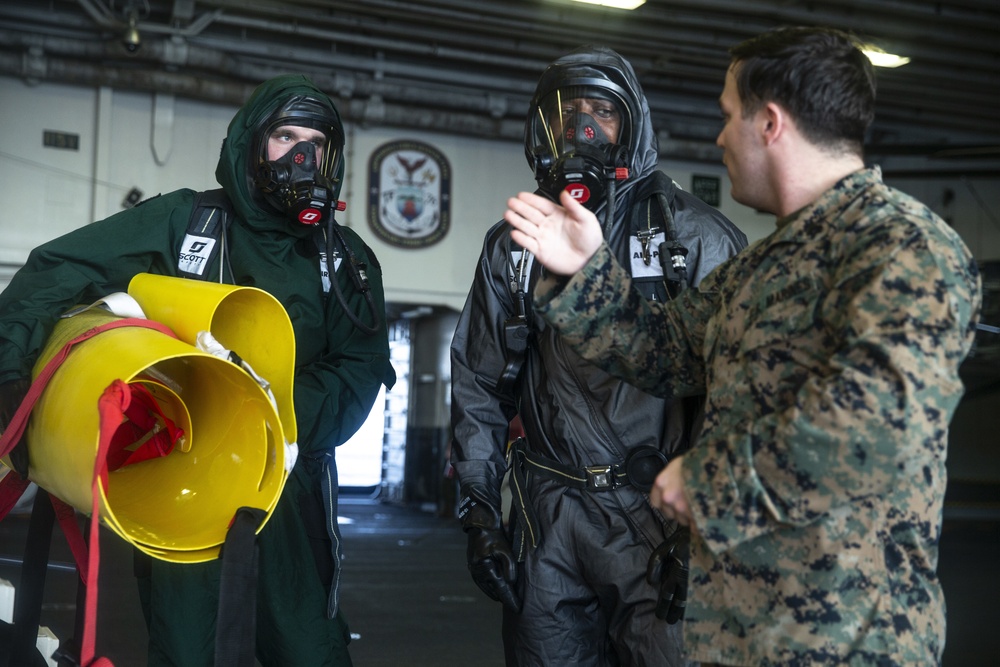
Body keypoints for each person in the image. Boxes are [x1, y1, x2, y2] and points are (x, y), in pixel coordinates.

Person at [503, 27, 982, 667]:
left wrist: (711, 484)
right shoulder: (765, 267)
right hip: (739, 627)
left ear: (771, 124)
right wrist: (583, 271)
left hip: (844, 634)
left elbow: (873, 425)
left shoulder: (900, 247)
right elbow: (667, 349)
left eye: (730, 117)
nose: (720, 138)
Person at [0, 74, 395, 666]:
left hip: (289, 482)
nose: (303, 156)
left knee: (310, 648)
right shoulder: (186, 224)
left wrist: (277, 421)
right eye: (286, 136)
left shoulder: (345, 260)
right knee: (188, 650)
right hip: (180, 480)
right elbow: (56, 268)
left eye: (317, 141)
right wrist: (13, 376)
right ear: (252, 143)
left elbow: (362, 367)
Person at [450, 45, 747, 666]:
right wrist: (480, 511)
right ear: (543, 128)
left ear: (630, 125)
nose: (581, 130)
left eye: (601, 114)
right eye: (568, 114)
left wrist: (704, 531)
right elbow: (480, 379)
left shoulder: (692, 237)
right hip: (549, 515)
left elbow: (733, 395)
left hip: (658, 515)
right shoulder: (516, 245)